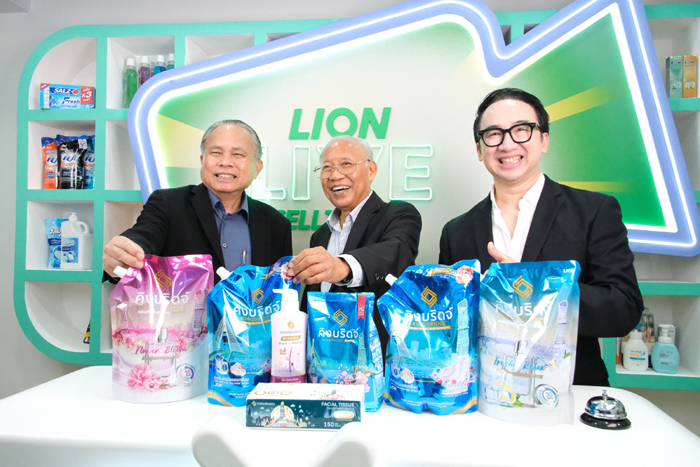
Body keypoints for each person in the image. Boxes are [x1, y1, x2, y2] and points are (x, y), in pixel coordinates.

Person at [439, 88, 644, 386]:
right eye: (493, 134)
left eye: (521, 130)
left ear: (544, 140)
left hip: (570, 392)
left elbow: (623, 309)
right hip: (484, 393)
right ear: (480, 149)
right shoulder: (456, 231)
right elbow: (453, 324)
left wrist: (537, 290)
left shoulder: (593, 211)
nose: (507, 144)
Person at [103, 119, 292, 279]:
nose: (225, 162)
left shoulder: (276, 224)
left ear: (257, 168)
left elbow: (280, 289)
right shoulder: (168, 204)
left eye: (237, 154)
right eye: (216, 153)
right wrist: (125, 253)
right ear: (202, 160)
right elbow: (144, 236)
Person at [287, 135, 422, 351]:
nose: (335, 175)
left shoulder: (398, 214)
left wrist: (342, 267)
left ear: (371, 170)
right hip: (321, 361)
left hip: (374, 359)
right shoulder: (319, 236)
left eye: (346, 164)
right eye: (327, 168)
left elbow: (395, 252)